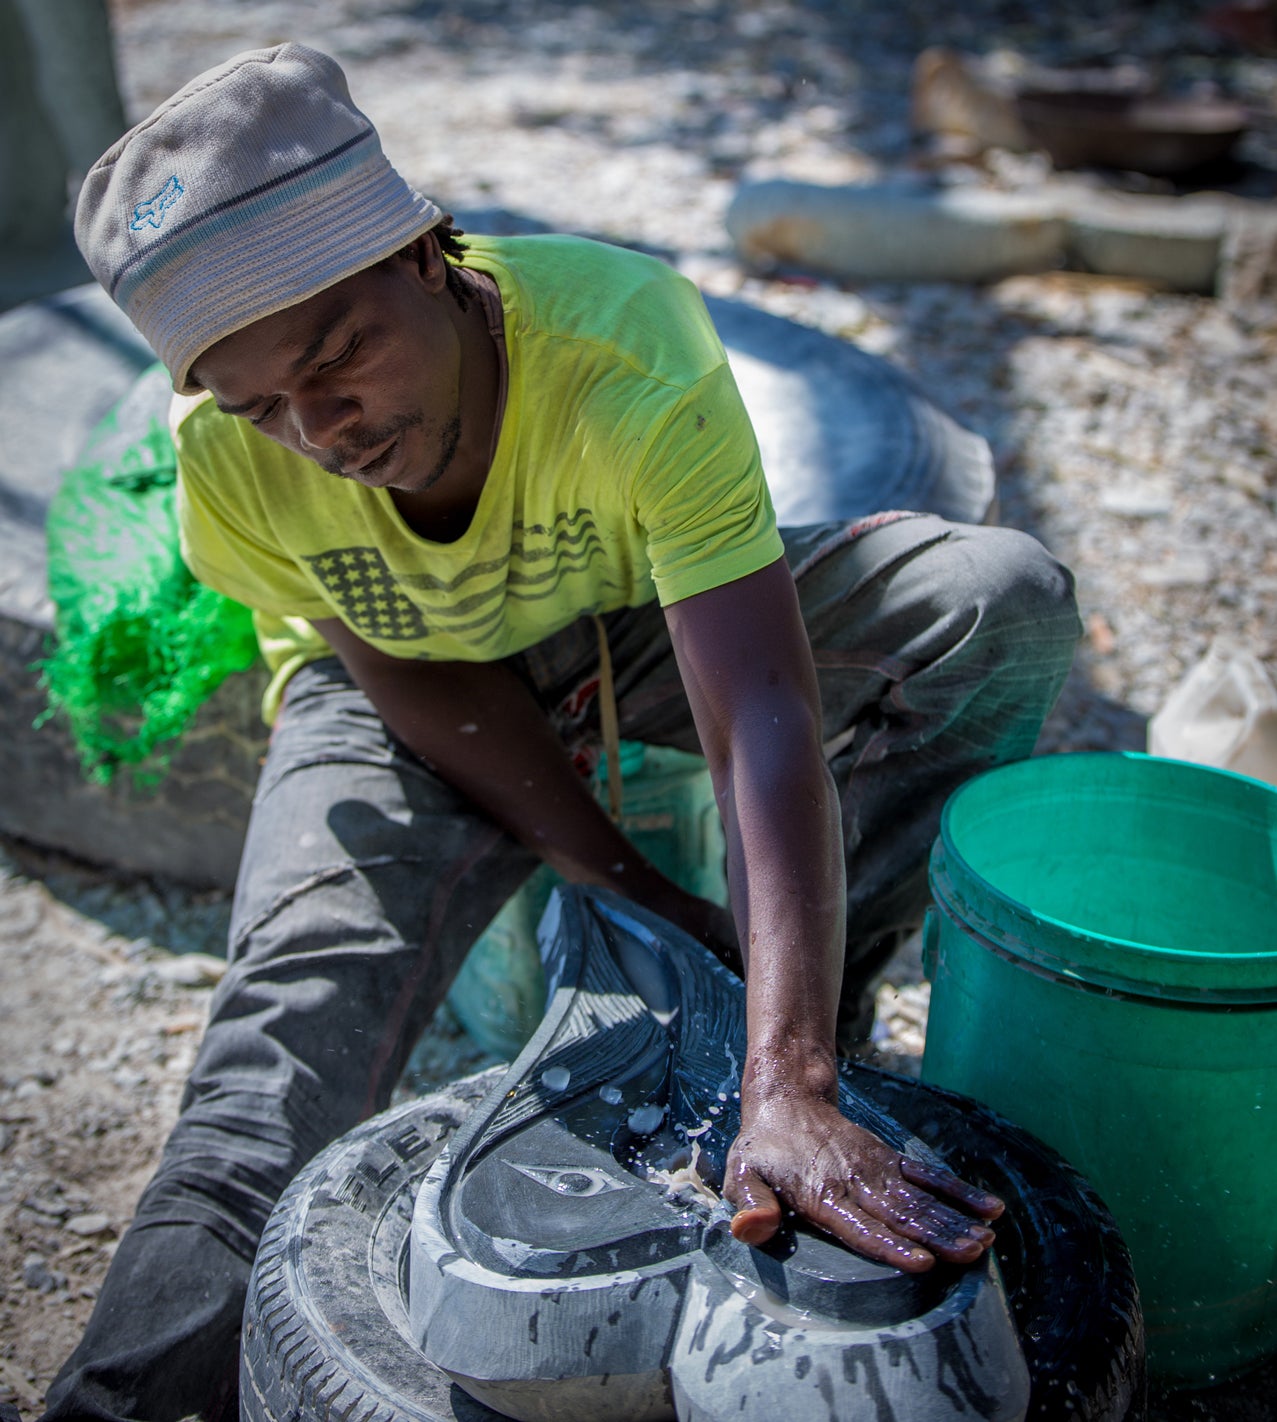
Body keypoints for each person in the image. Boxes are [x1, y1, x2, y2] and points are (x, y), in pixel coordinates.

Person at [44, 42, 1080, 1422]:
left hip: (623, 616)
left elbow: (756, 707)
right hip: (398, 685)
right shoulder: (236, 460)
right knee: (273, 1053)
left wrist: (786, 1065)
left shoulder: (618, 343)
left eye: (338, 352)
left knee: (994, 601)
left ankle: (796, 1042)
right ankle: (111, 1399)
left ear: (423, 252)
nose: (320, 425)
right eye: (260, 402)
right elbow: (398, 672)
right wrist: (629, 884)